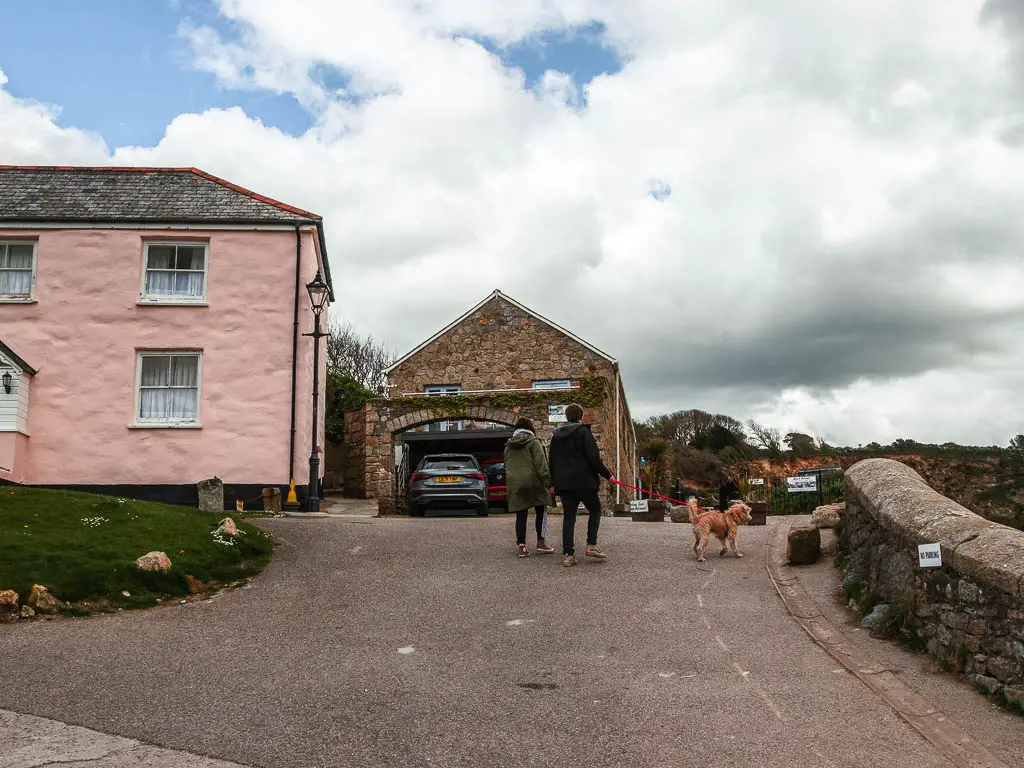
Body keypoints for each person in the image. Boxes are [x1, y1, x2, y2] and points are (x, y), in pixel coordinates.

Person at [548, 403, 614, 567]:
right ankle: (591, 545)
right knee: (595, 509)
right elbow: (593, 458)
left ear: (566, 416)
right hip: (584, 482)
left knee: (569, 518)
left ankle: (568, 554)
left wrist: (552, 483)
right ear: (581, 417)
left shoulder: (556, 436)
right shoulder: (584, 432)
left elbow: (552, 461)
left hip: (565, 484)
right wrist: (608, 475)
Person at [504, 417, 554, 557]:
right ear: (530, 428)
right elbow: (541, 465)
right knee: (541, 509)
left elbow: (507, 465)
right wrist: (549, 482)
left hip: (516, 482)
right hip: (534, 481)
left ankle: (522, 546)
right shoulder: (533, 442)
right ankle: (541, 542)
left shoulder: (508, 445)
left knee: (521, 513)